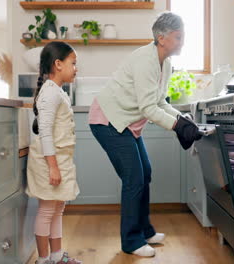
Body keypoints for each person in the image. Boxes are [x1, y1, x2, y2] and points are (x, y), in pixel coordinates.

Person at [88, 12, 199, 257]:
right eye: (178, 37)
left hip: (127, 124)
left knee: (144, 173)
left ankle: (145, 231)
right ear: (162, 38)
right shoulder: (145, 60)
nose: (182, 42)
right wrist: (178, 127)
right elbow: (148, 108)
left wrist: (181, 120)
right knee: (134, 179)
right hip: (108, 121)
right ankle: (131, 241)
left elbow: (159, 101)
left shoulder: (165, 62)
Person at [26, 41, 82, 264]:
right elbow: (46, 134)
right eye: (73, 63)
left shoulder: (57, 92)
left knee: (58, 208)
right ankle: (43, 260)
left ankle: (57, 257)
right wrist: (53, 166)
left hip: (59, 159)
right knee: (48, 210)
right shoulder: (50, 94)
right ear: (58, 64)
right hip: (50, 161)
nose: (76, 68)